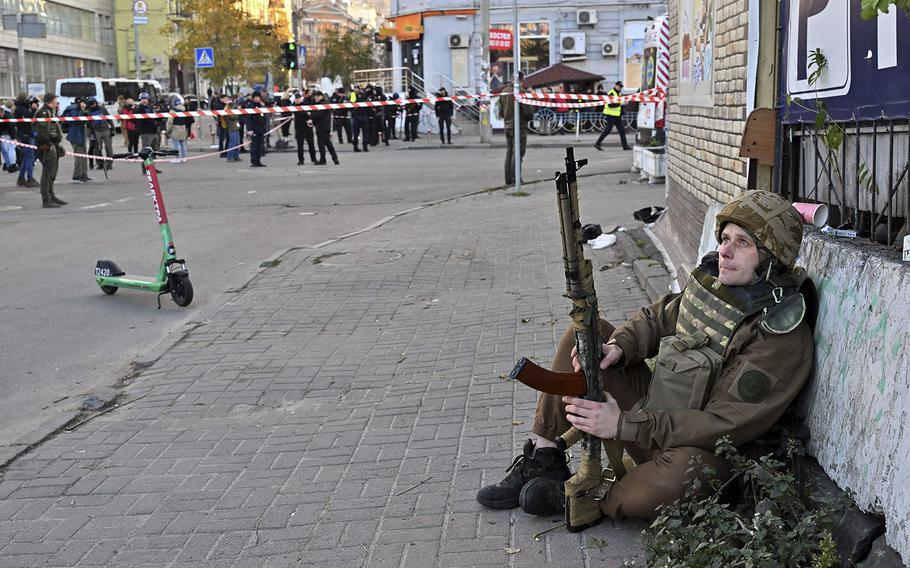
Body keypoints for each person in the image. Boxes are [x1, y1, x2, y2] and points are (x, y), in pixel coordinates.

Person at [476, 191, 815, 525]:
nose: (724, 251)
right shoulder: (722, 284)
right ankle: (545, 457)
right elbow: (659, 318)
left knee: (681, 477)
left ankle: (596, 497)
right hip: (655, 418)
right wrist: (618, 347)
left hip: (706, 451)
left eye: (742, 243)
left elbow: (722, 425)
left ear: (771, 256)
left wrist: (623, 424)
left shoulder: (778, 336)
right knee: (585, 338)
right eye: (725, 237)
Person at [498, 72, 535, 185]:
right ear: (521, 79)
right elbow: (528, 112)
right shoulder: (521, 92)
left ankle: (508, 180)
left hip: (508, 126)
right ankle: (516, 179)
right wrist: (532, 111)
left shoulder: (504, 92)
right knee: (518, 153)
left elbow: (500, 112)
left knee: (509, 152)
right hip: (519, 126)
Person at [34, 94, 66, 208]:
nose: (56, 102)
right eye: (55, 100)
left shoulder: (50, 112)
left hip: (54, 144)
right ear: (50, 101)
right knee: (47, 173)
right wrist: (48, 145)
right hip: (47, 146)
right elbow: (42, 132)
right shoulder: (43, 112)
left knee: (52, 172)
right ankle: (46, 199)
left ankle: (51, 195)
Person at [594, 80, 630, 151]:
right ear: (616, 86)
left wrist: (623, 107)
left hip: (616, 116)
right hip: (610, 115)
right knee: (607, 130)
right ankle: (597, 143)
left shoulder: (618, 94)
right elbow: (611, 105)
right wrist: (621, 104)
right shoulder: (611, 93)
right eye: (619, 87)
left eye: (621, 87)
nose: (620, 88)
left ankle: (625, 146)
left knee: (622, 131)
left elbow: (618, 105)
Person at [14, 94, 39, 188]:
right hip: (26, 135)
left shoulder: (21, 108)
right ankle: (30, 178)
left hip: (25, 134)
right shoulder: (21, 109)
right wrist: (33, 110)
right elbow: (28, 120)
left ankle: (21, 178)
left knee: (26, 158)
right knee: (30, 157)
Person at [62, 97, 89, 182]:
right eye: (83, 102)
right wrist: (83, 111)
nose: (85, 104)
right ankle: (77, 174)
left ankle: (84, 174)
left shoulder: (79, 109)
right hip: (75, 135)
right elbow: (76, 120)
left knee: (84, 155)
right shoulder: (73, 109)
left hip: (80, 134)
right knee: (79, 156)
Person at [310, 91, 338, 166]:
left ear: (321, 96)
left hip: (322, 127)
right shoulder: (324, 103)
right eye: (315, 96)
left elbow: (318, 115)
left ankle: (323, 159)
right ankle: (335, 158)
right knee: (328, 143)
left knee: (321, 144)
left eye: (317, 96)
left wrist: (310, 115)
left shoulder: (322, 104)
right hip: (325, 126)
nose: (315, 98)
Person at [87, 97, 114, 172]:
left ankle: (109, 163)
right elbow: (88, 124)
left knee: (108, 147)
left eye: (93, 103)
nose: (92, 105)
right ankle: (100, 163)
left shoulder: (102, 109)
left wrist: (112, 129)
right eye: (90, 104)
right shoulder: (89, 111)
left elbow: (109, 118)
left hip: (105, 129)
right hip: (96, 131)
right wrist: (90, 134)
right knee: (97, 148)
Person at [293, 92, 317, 165]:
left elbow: (310, 114)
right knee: (300, 145)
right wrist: (306, 115)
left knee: (311, 144)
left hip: (307, 127)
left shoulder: (305, 104)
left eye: (299, 98)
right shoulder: (293, 106)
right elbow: (300, 114)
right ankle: (301, 160)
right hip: (299, 128)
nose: (297, 100)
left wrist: (310, 118)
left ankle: (314, 159)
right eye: (296, 98)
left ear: (301, 98)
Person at [245, 90, 266, 167]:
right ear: (253, 98)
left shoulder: (261, 105)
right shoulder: (250, 106)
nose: (257, 99)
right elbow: (248, 118)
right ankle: (253, 161)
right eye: (256, 97)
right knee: (254, 146)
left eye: (258, 97)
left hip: (260, 128)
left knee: (260, 145)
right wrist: (249, 129)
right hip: (254, 128)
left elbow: (264, 117)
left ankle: (258, 161)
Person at [349, 86, 370, 153]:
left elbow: (352, 103)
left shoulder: (353, 94)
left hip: (357, 116)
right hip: (363, 116)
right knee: (364, 133)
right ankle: (365, 147)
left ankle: (356, 147)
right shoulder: (364, 94)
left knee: (356, 133)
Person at [0, 100, 17, 174]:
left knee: (5, 151)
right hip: (6, 134)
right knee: (10, 149)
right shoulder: (8, 115)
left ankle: (7, 165)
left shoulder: (5, 112)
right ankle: (11, 164)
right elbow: (11, 127)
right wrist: (14, 137)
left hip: (2, 134)